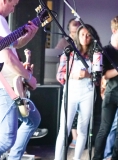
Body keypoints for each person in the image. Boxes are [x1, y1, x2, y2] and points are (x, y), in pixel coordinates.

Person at [0, 0, 42, 159]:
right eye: (13, 5)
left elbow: (13, 45)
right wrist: (29, 77)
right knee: (6, 139)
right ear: (4, 0)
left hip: (4, 85)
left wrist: (29, 35)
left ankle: (14, 157)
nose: (13, 10)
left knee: (33, 120)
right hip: (1, 86)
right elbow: (8, 58)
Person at [55, 24, 100, 160]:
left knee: (83, 129)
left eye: (88, 35)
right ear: (77, 36)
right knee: (64, 129)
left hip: (88, 92)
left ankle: (77, 158)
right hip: (71, 92)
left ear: (92, 37)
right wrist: (73, 75)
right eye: (82, 35)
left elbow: (98, 78)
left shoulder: (96, 54)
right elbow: (60, 76)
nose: (85, 38)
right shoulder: (70, 53)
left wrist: (88, 75)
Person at [93, 16, 118, 160]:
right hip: (111, 93)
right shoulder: (106, 51)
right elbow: (105, 75)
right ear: (114, 31)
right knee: (104, 129)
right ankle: (97, 157)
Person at [55, 18, 81, 149]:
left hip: (82, 83)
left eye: (78, 25)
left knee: (79, 113)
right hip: (68, 79)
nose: (76, 27)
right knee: (69, 114)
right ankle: (72, 138)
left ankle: (78, 139)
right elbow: (57, 54)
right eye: (74, 26)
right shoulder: (64, 41)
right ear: (69, 28)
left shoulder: (82, 41)